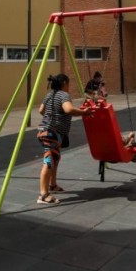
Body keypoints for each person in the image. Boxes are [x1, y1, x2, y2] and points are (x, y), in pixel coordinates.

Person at [37, 73, 94, 204]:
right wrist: (85, 112)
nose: (69, 86)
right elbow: (68, 110)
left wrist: (53, 114)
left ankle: (52, 185)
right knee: (49, 161)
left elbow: (41, 110)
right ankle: (43, 195)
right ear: (64, 83)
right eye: (68, 84)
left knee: (55, 158)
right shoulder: (63, 95)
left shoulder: (50, 94)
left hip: (45, 130)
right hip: (51, 132)